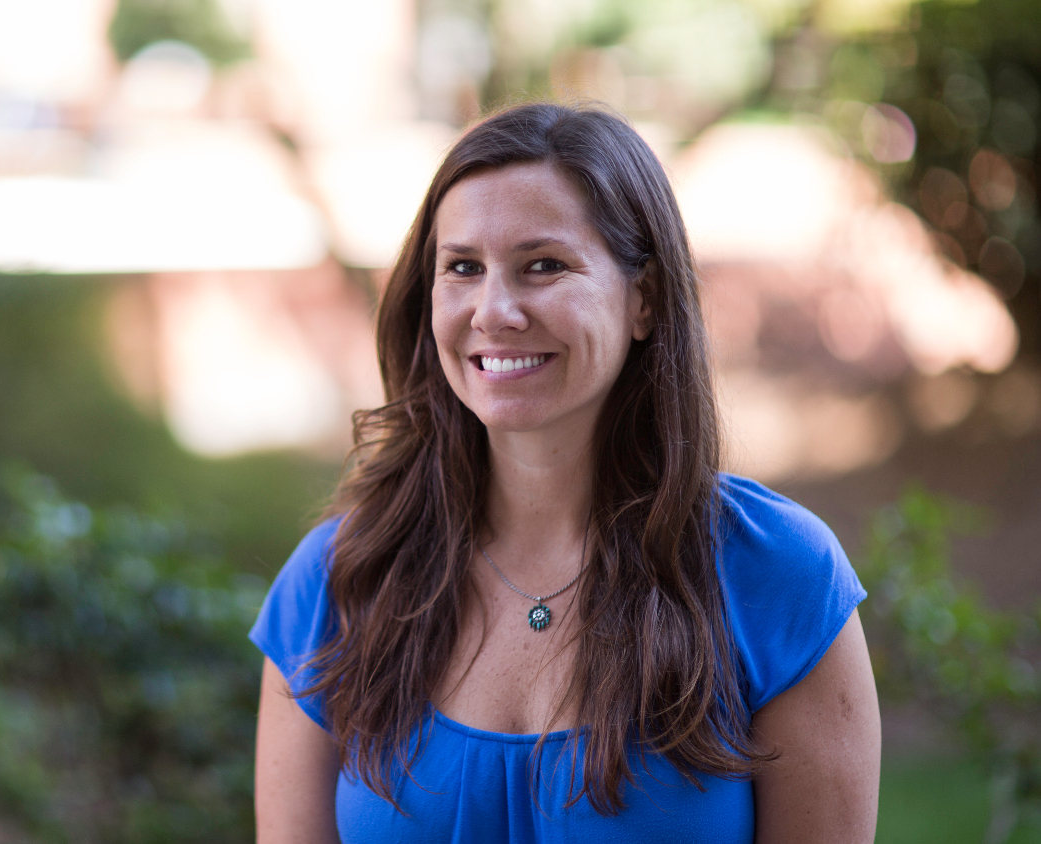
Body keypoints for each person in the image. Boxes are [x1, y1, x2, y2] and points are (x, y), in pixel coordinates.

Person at [249, 102, 881, 843]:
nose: (494, 310)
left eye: (543, 266)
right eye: (462, 268)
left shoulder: (777, 576)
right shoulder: (335, 584)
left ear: (643, 299)